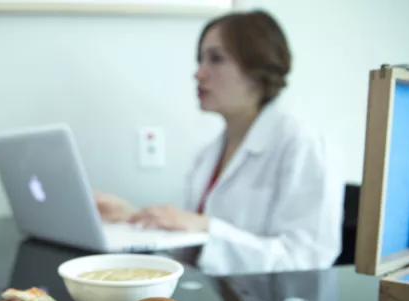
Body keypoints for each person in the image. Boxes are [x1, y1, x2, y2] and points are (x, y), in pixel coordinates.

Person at [95, 10, 343, 275]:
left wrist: (207, 227)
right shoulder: (207, 155)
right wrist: (133, 218)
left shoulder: (302, 144)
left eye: (216, 59)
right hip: (219, 299)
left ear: (258, 69)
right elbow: (191, 245)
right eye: (200, 59)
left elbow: (309, 260)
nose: (198, 74)